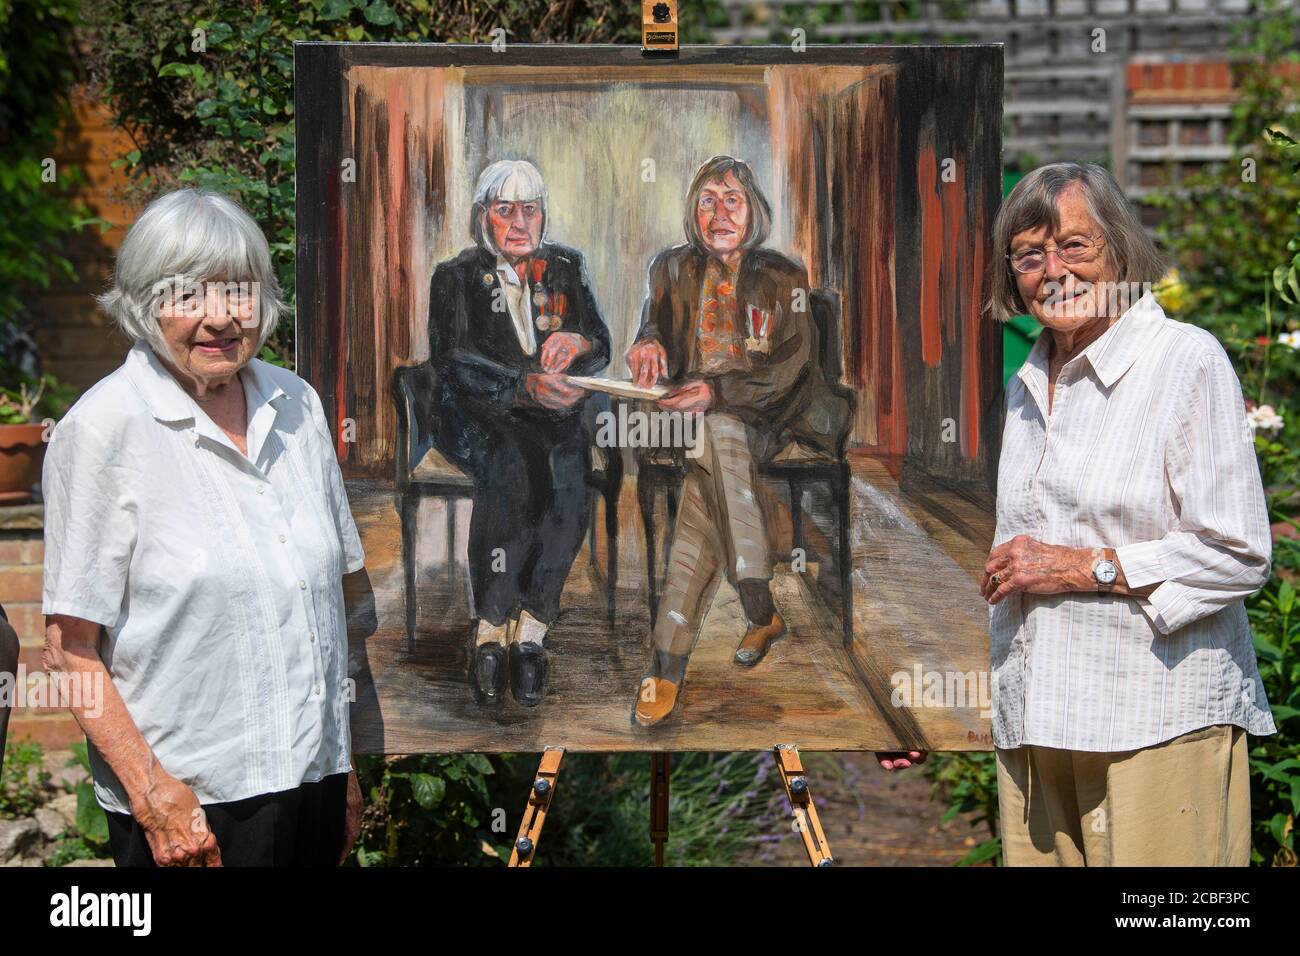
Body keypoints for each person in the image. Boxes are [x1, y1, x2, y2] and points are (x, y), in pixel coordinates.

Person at [884, 162, 1275, 867]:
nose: (1052, 271)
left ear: (1119, 251)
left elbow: (1239, 552)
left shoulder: (1184, 363)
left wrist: (1087, 567)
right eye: (1030, 255)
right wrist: (929, 697)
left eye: (1074, 247)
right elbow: (1002, 569)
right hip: (1039, 723)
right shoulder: (1025, 387)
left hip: (1155, 722)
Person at [41, 189, 366, 866]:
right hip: (189, 805)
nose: (219, 318)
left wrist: (344, 770)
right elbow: (71, 652)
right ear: (142, 303)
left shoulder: (296, 406)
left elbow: (329, 607)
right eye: (187, 295)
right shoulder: (103, 431)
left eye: (238, 292)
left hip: (313, 784)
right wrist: (152, 793)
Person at [626, 155, 850, 727]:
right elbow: (652, 327)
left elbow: (791, 370)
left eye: (732, 200)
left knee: (718, 440)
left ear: (753, 211)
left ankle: (666, 666)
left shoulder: (783, 277)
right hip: (696, 423)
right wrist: (647, 343)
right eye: (707, 200)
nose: (719, 213)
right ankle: (760, 606)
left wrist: (716, 393)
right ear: (692, 212)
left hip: (774, 415)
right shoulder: (670, 269)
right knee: (713, 455)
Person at [428, 159, 611, 708]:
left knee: (570, 468)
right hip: (479, 416)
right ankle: (490, 625)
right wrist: (522, 387)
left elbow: (600, 342)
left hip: (551, 420)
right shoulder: (455, 277)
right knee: (507, 464)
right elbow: (454, 363)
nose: (518, 222)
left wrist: (577, 344)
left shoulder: (565, 268)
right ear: (483, 216)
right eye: (505, 209)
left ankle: (532, 627)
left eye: (529, 210)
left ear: (543, 216)